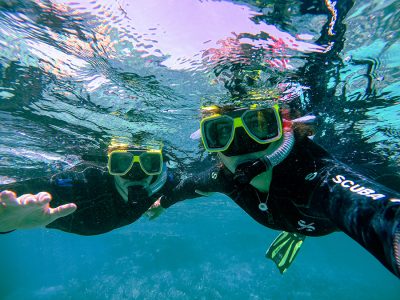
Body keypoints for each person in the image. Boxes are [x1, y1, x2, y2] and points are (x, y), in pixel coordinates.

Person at [148, 102, 400, 278]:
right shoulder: (224, 178)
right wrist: (163, 203)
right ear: (212, 146)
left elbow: (380, 214)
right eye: (222, 132)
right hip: (297, 220)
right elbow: (189, 186)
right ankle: (297, 230)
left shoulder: (318, 179)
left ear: (285, 130)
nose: (243, 145)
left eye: (260, 125)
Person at [0, 139, 172, 235]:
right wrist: (6, 223)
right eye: (122, 162)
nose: (135, 173)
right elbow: (21, 194)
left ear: (159, 165)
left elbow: (192, 184)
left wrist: (166, 202)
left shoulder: (165, 182)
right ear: (109, 166)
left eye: (149, 163)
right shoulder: (86, 185)